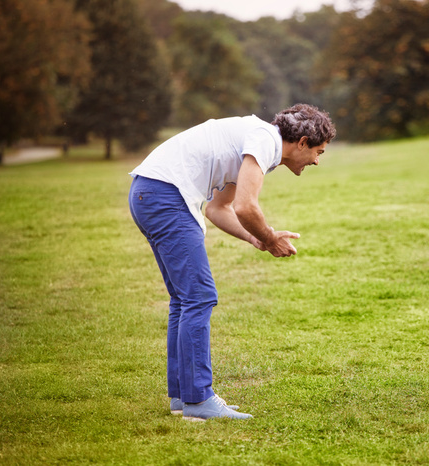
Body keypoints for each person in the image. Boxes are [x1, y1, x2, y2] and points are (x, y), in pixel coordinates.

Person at [128, 104, 336, 421]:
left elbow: (219, 208)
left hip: (149, 191)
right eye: (318, 151)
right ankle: (199, 402)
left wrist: (256, 239)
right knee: (198, 296)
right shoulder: (266, 139)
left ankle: (184, 398)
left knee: (184, 299)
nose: (318, 161)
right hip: (164, 194)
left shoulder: (255, 140)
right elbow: (246, 207)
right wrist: (268, 236)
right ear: (303, 142)